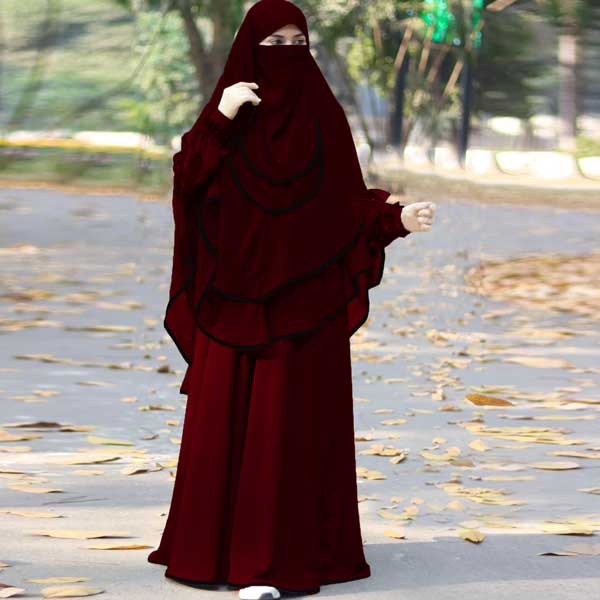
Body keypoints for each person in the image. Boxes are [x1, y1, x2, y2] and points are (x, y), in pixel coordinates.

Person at [147, 1, 435, 598]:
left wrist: (396, 219)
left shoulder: (323, 115)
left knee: (293, 427)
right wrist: (222, 118)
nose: (286, 53)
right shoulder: (229, 110)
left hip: (306, 304)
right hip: (234, 298)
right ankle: (211, 550)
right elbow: (190, 181)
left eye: (296, 42)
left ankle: (287, 557)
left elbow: (344, 203)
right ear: (248, 47)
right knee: (226, 423)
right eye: (272, 42)